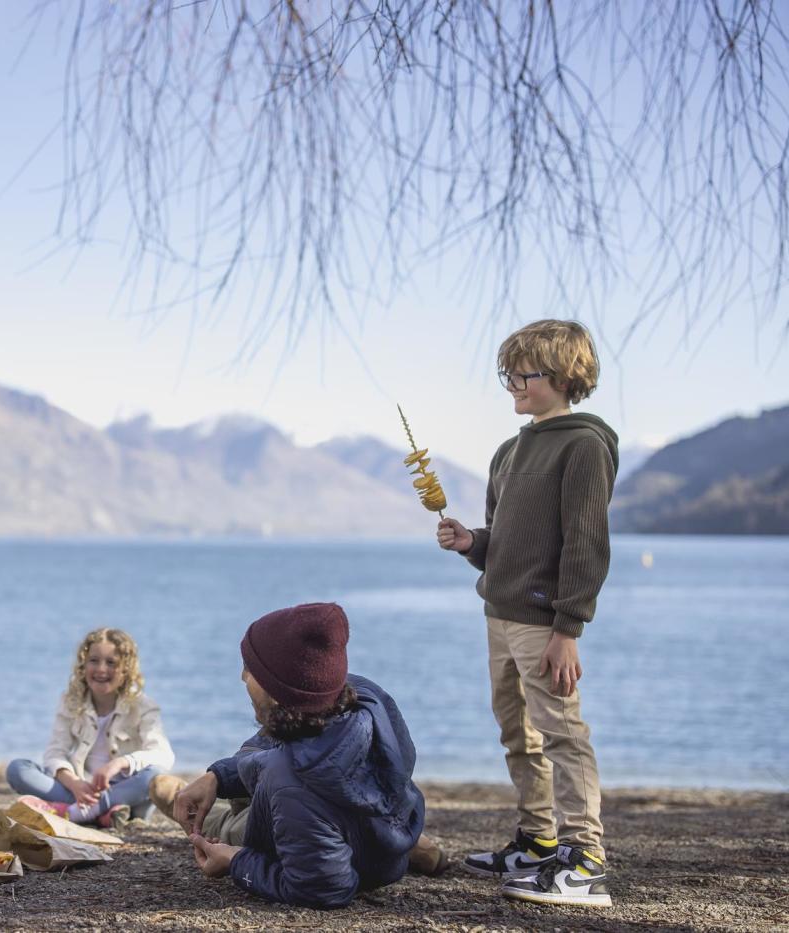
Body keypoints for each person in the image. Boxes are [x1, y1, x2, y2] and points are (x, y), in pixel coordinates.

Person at [436, 318, 617, 908]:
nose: (510, 383)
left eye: (522, 374)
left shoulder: (584, 445)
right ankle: (539, 841)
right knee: (519, 735)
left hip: (544, 623)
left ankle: (585, 859)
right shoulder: (509, 450)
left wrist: (569, 628)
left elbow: (584, 542)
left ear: (563, 376)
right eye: (505, 373)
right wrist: (472, 543)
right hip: (498, 613)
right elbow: (508, 539)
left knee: (562, 734)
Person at [171, 603, 429, 908]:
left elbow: (323, 889)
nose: (243, 677)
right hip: (383, 841)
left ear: (277, 689)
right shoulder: (366, 696)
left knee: (169, 793)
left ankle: (165, 790)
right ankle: (410, 846)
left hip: (307, 834)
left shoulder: (291, 783)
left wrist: (236, 861)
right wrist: (220, 776)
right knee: (252, 757)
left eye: (251, 669)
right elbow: (299, 751)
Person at [5, 627, 174, 827]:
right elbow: (55, 752)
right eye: (94, 660)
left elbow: (163, 755)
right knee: (17, 769)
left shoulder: (143, 705)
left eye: (111, 662)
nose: (101, 669)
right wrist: (74, 783)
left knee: (156, 775)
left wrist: (118, 764)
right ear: (83, 665)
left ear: (126, 669)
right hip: (82, 790)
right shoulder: (71, 702)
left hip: (127, 790)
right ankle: (104, 813)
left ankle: (79, 812)